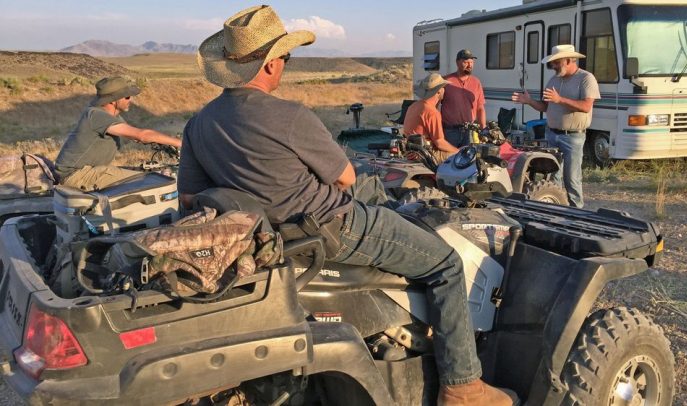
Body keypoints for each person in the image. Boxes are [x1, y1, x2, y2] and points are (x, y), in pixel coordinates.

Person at [177, 6, 516, 406]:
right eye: (285, 58)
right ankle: (462, 385)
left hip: (271, 237)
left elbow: (188, 200)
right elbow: (345, 179)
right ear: (269, 65)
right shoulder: (288, 116)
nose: (285, 65)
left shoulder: (199, 124)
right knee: (445, 264)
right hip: (332, 226)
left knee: (382, 200)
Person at [54, 76, 182, 190]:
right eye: (126, 96)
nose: (130, 99)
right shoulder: (96, 115)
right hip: (76, 176)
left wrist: (166, 144)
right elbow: (142, 136)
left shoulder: (112, 117)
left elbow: (135, 136)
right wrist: (183, 143)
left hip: (88, 172)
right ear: (112, 100)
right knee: (149, 181)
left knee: (151, 172)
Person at [511, 45, 600, 208]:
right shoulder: (553, 80)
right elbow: (546, 107)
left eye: (556, 62)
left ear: (568, 60)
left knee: (571, 178)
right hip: (552, 134)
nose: (553, 66)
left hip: (573, 136)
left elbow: (586, 106)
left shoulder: (586, 79)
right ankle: (556, 210)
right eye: (552, 63)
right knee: (553, 177)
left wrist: (560, 100)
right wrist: (529, 101)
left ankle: (577, 212)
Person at [403, 72, 459, 163]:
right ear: (439, 91)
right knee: (462, 157)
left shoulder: (414, 106)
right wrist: (458, 151)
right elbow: (439, 142)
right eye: (443, 87)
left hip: (411, 152)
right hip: (426, 153)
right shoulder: (432, 112)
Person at [441, 49, 487, 148]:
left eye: (471, 62)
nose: (469, 65)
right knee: (449, 160)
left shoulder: (476, 82)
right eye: (466, 62)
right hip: (449, 132)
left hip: (469, 132)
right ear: (457, 62)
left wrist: (484, 130)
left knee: (469, 161)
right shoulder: (445, 81)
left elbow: (480, 108)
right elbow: (434, 106)